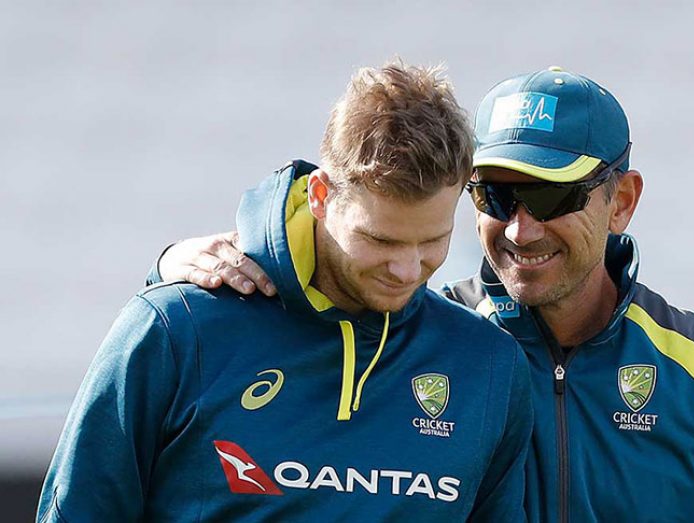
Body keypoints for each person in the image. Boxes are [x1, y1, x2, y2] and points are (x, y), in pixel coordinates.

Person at [153, 66, 694, 522]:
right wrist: (171, 269)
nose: (519, 228)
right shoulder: (413, 335)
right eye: (495, 196)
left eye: (550, 197)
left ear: (622, 201)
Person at [37, 62, 536, 522]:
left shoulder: (488, 366)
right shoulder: (175, 329)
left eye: (433, 241)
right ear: (320, 196)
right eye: (379, 240)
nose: (407, 269)